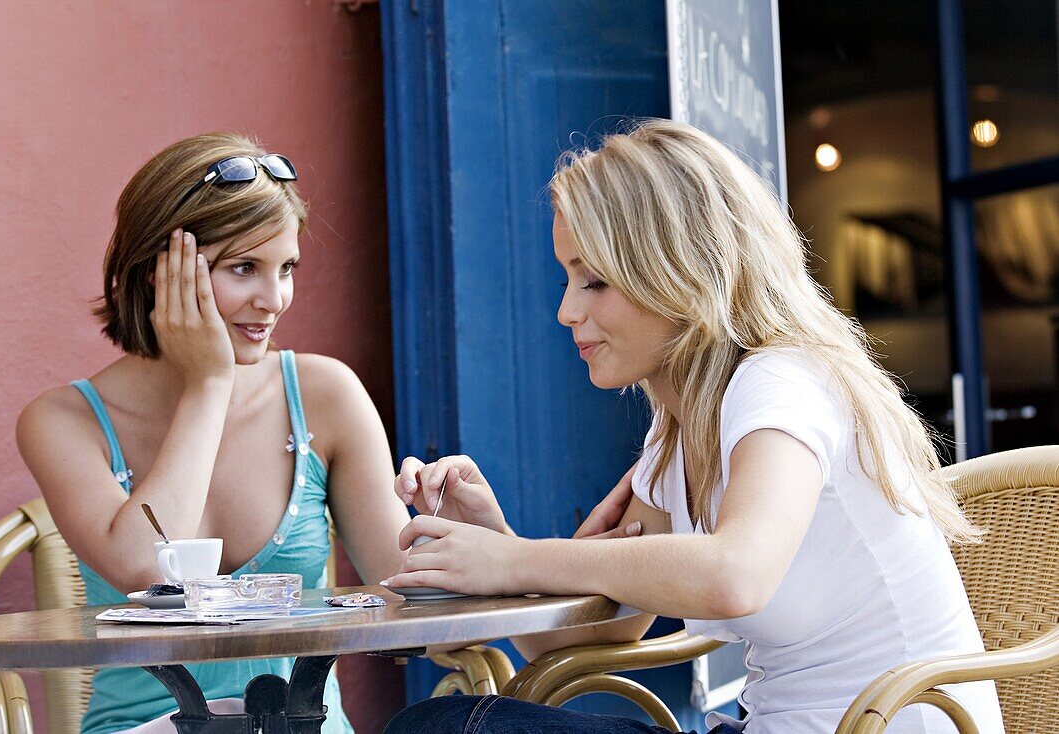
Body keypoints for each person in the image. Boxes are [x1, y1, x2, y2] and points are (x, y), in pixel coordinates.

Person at [381, 119, 1004, 733]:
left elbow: (736, 576)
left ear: (680, 269)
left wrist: (516, 561)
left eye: (594, 280)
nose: (567, 310)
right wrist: (493, 535)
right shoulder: (677, 431)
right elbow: (596, 634)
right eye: (568, 278)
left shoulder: (781, 382)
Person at [16, 133, 410, 734]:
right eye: (244, 268)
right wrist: (207, 384)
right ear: (158, 274)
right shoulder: (62, 421)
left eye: (286, 269)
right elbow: (148, 569)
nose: (273, 299)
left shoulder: (326, 395)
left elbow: (406, 603)